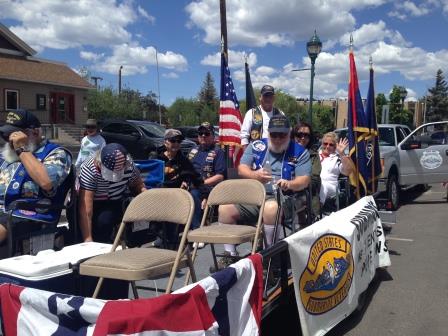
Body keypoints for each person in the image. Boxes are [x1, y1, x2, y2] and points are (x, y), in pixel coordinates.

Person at [217, 115, 311, 267]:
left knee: (270, 208)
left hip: (285, 198)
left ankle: (269, 257)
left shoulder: (300, 152)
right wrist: (255, 175)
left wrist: (290, 183)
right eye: (274, 134)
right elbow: (242, 169)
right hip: (256, 195)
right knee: (225, 208)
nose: (278, 138)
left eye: (282, 134)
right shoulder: (257, 146)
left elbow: (304, 180)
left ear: (289, 133)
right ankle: (230, 255)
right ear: (268, 133)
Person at [0, 110, 72, 246]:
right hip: (5, 213)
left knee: (5, 221)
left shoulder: (56, 154)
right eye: (7, 135)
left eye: (15, 135)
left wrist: (21, 149)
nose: (10, 140)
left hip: (28, 214)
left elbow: (46, 182)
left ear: (35, 132)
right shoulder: (5, 156)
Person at [78, 143, 145, 243]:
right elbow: (86, 209)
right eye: (110, 172)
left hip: (116, 200)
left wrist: (146, 200)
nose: (114, 177)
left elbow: (138, 185)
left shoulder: (129, 166)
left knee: (105, 219)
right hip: (95, 201)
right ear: (99, 163)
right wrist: (88, 239)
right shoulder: (89, 169)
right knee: (99, 223)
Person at [187, 122, 226, 230]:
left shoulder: (218, 152)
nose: (203, 136)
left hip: (208, 186)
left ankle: (197, 230)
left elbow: (220, 176)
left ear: (213, 136)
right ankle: (167, 235)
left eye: (206, 134)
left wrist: (201, 183)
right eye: (200, 133)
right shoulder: (193, 151)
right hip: (190, 184)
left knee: (193, 194)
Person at [319, 132, 355, 212]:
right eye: (325, 143)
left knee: (323, 185)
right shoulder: (315, 155)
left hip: (330, 186)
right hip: (315, 183)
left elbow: (347, 171)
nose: (327, 146)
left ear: (335, 147)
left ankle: (316, 211)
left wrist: (342, 153)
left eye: (331, 145)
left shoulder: (337, 158)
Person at [293, 122, 321, 222]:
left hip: (305, 193)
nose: (303, 138)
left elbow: (313, 179)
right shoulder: (285, 152)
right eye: (299, 135)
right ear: (293, 135)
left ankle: (302, 226)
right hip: (285, 192)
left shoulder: (313, 155)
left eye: (306, 135)